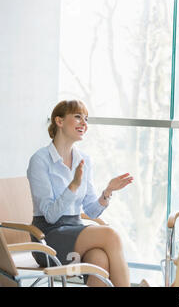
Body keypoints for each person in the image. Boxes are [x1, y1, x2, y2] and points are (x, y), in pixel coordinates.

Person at [27, 100, 133, 287]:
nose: (84, 123)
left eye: (86, 118)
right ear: (59, 121)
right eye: (77, 117)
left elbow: (90, 211)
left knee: (99, 260)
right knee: (111, 235)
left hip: (75, 231)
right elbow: (50, 216)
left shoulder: (84, 159)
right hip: (47, 238)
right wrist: (74, 185)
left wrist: (107, 191)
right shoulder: (40, 160)